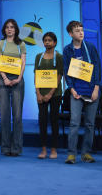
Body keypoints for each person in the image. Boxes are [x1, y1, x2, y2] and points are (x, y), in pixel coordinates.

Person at [63, 20, 102, 164]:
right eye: (77, 30)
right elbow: (67, 71)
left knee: (90, 124)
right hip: (76, 92)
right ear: (70, 34)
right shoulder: (67, 50)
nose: (81, 32)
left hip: (92, 90)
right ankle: (71, 154)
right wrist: (72, 89)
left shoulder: (90, 47)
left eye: (82, 30)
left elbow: (97, 67)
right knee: (74, 123)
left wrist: (96, 88)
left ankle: (86, 153)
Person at [0, 18, 27, 157]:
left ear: (16, 30)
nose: (9, 29)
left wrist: (18, 78)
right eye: (7, 27)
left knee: (18, 116)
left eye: (12, 27)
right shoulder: (0, 43)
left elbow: (23, 62)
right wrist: (6, 78)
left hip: (18, 80)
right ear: (4, 29)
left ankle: (16, 148)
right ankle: (5, 147)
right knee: (4, 116)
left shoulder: (22, 44)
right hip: (3, 80)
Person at [34, 32, 64, 160]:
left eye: (50, 40)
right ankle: (44, 148)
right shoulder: (38, 57)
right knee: (42, 121)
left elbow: (59, 76)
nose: (47, 42)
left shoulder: (59, 57)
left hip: (55, 94)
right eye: (45, 40)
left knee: (54, 121)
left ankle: (53, 149)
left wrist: (51, 93)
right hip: (41, 94)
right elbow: (36, 75)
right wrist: (38, 93)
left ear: (55, 43)